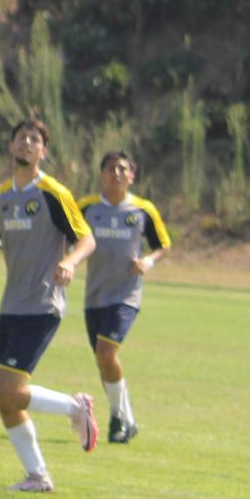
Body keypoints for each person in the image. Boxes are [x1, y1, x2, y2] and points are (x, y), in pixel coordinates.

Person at [0, 117, 99, 491]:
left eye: (34, 140)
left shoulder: (52, 192)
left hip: (42, 302)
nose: (26, 144)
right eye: (21, 138)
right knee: (1, 396)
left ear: (43, 151)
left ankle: (75, 407)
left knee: (9, 392)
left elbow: (86, 239)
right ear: (12, 145)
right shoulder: (1, 197)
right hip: (11, 306)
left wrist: (68, 262)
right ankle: (37, 476)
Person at [77, 151, 171, 444]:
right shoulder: (86, 208)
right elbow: (69, 236)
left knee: (107, 352)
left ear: (132, 176)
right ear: (101, 174)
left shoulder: (143, 209)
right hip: (95, 295)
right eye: (110, 168)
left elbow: (162, 244)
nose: (116, 173)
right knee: (104, 361)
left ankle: (117, 417)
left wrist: (148, 262)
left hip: (126, 295)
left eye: (122, 169)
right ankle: (127, 421)